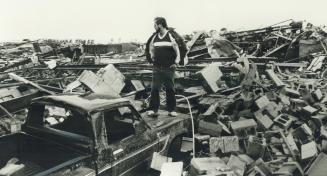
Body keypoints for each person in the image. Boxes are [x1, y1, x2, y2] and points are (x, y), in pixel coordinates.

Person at [146, 17, 181, 117]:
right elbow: (151, 48)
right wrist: (152, 57)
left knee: (170, 89)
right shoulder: (155, 37)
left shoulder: (170, 36)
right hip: (157, 68)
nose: (154, 26)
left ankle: (171, 110)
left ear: (160, 24)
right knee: (154, 89)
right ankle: (153, 109)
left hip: (169, 68)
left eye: (155, 25)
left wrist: (176, 62)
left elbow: (177, 51)